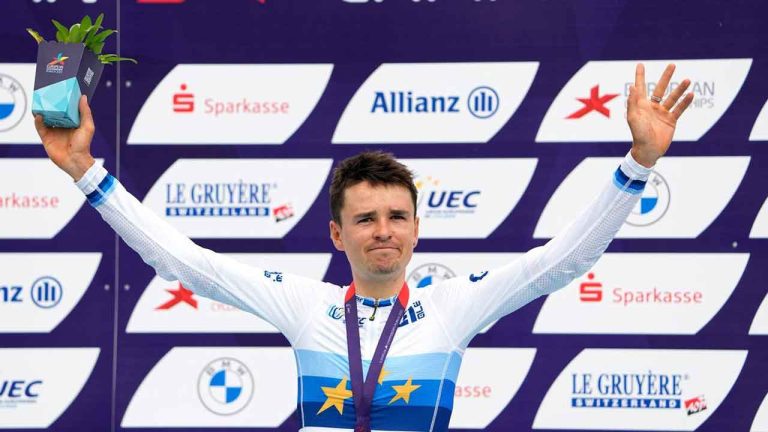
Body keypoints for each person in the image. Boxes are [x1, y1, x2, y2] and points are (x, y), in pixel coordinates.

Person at [35, 64, 692, 432]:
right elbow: (183, 263)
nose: (384, 229)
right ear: (336, 234)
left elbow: (564, 260)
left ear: (416, 231)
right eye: (367, 217)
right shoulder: (305, 307)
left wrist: (637, 163)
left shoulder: (452, 308)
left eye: (398, 216)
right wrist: (87, 172)